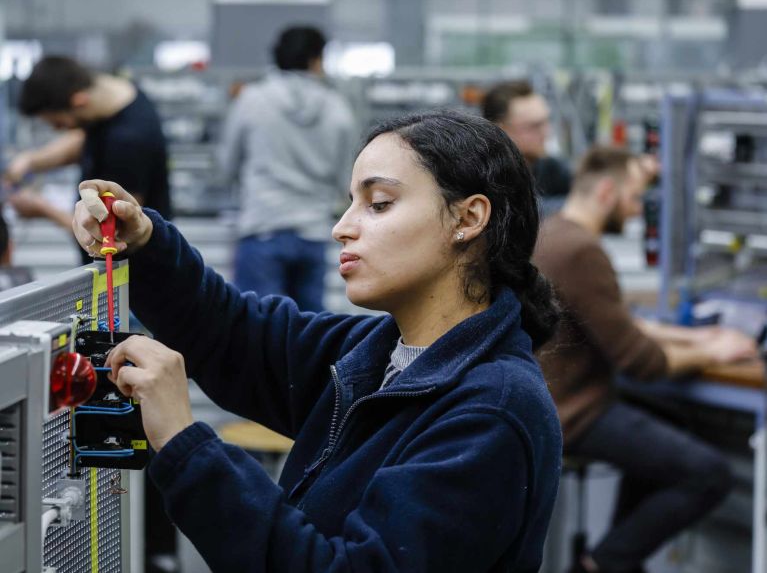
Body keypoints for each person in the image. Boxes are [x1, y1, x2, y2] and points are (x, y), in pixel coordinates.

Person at [73, 110, 562, 572]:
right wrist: (146, 243)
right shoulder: (378, 356)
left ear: (468, 218)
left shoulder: (490, 412)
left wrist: (184, 443)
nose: (341, 228)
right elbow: (234, 335)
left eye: (379, 204)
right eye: (350, 203)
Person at [533, 145, 758, 573]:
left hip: (556, 401)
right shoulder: (583, 251)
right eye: (634, 198)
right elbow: (640, 361)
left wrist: (693, 336)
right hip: (575, 413)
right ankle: (604, 562)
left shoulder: (554, 233)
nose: (637, 212)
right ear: (605, 191)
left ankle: (617, 559)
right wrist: (712, 351)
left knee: (672, 421)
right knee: (709, 474)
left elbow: (616, 321)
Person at [218, 25, 357, 310]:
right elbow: (350, 181)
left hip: (261, 228)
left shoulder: (252, 100)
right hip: (314, 232)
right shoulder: (338, 109)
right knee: (311, 337)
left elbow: (226, 165)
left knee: (257, 331)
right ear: (317, 60)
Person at [6, 55, 171, 265]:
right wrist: (30, 161)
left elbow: (119, 232)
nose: (60, 131)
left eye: (59, 123)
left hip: (130, 276)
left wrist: (42, 209)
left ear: (80, 101)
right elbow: (83, 139)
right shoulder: (116, 94)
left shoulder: (129, 143)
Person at [482, 80, 571, 199]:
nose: (547, 132)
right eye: (534, 126)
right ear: (500, 131)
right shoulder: (481, 181)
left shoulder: (553, 170)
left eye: (546, 122)